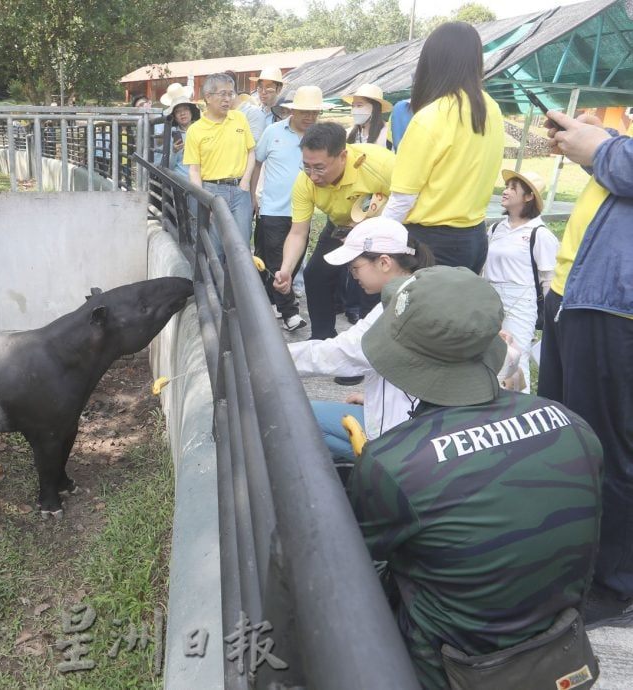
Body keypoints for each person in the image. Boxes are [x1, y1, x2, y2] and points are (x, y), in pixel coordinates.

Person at [352, 265, 603, 690]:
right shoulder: (571, 424)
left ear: (405, 361)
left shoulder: (392, 463)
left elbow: (357, 567)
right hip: (558, 650)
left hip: (450, 670)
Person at [539, 108, 633, 628]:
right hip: (578, 291)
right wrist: (591, 143)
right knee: (570, 438)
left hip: (616, 302)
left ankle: (614, 582)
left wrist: (600, 148)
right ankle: (578, 559)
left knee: (607, 445)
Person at [288, 218, 433, 461]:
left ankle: (371, 476)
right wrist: (374, 398)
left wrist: (268, 355)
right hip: (423, 420)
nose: (352, 275)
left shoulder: (395, 310)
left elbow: (340, 354)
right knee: (317, 430)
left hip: (402, 436)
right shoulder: (422, 289)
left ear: (384, 262)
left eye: (355, 267)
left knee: (292, 419)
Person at [381, 22, 504, 272]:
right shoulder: (492, 109)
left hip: (431, 243)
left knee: (417, 310)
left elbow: (403, 198)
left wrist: (377, 239)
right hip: (474, 237)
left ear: (431, 62)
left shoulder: (431, 117)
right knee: (455, 310)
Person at [273, 122, 394, 344]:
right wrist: (287, 269)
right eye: (306, 166)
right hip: (339, 226)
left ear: (343, 156)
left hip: (381, 230)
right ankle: (322, 339)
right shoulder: (305, 181)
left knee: (370, 283)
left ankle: (367, 349)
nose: (313, 175)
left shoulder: (380, 164)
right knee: (315, 275)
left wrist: (370, 232)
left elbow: (407, 202)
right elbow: (298, 232)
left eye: (319, 167)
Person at [249, 85, 325, 332]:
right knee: (276, 262)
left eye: (314, 113)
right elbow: (257, 163)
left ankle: (271, 301)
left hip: (303, 212)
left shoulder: (320, 138)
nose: (309, 118)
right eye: (305, 112)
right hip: (273, 209)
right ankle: (290, 312)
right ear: (293, 111)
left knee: (294, 260)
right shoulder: (273, 132)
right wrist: (253, 195)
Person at [482, 169, 559, 393]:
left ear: (528, 197)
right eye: (506, 187)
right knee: (489, 353)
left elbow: (548, 279)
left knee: (516, 355)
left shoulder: (540, 234)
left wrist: (551, 317)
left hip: (520, 302)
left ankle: (520, 407)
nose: (505, 192)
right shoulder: (496, 228)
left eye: (512, 188)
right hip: (491, 298)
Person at [184, 73, 256, 254]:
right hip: (212, 191)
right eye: (222, 94)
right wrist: (203, 200)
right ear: (208, 97)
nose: (228, 100)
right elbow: (194, 170)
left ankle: (237, 283)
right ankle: (217, 283)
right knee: (215, 248)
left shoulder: (239, 119)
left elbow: (250, 152)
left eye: (231, 94)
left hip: (240, 190)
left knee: (241, 247)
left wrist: (245, 182)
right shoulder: (195, 130)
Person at [341, 83, 392, 323]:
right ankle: (350, 304)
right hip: (357, 204)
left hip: (379, 204)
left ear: (375, 108)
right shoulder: (352, 133)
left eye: (360, 105)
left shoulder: (386, 134)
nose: (356, 110)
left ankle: (366, 308)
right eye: (354, 106)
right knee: (355, 254)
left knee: (370, 256)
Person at [163, 89, 201, 179]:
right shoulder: (171, 135)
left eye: (185, 109)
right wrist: (174, 152)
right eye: (177, 111)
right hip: (181, 183)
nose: (182, 113)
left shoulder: (202, 131)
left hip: (202, 181)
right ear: (174, 117)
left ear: (191, 112)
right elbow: (169, 167)